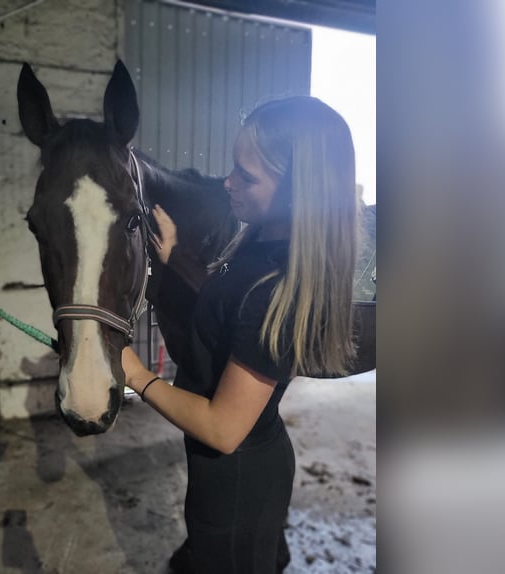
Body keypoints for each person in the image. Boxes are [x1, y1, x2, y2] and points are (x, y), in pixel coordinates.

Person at [121, 96, 359, 574]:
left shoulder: (276, 289)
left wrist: (138, 375)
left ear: (297, 192)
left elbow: (223, 429)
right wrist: (173, 257)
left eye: (247, 177)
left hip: (236, 482)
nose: (228, 181)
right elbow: (229, 301)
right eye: (234, 167)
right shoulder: (263, 242)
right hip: (245, 468)